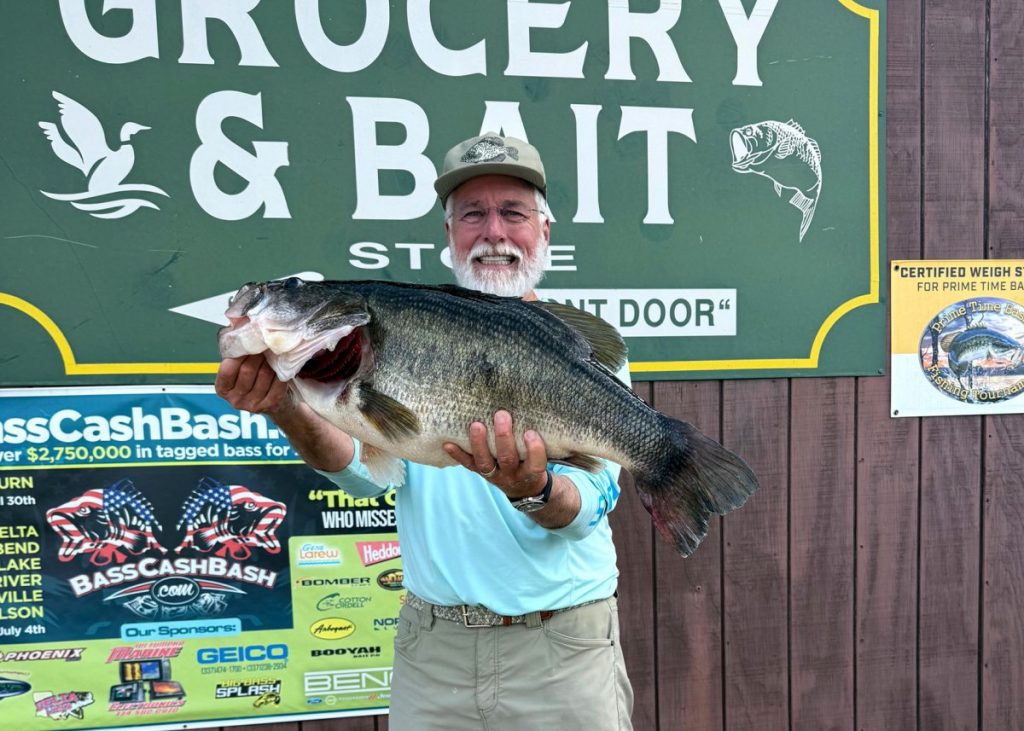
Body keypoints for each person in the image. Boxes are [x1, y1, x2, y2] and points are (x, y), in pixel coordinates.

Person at [214, 132, 634, 730]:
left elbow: (591, 505)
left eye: (512, 212)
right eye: (472, 214)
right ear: (449, 234)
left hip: (561, 651)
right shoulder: (378, 342)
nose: (493, 231)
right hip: (433, 654)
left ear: (545, 232)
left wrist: (532, 490)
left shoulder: (580, 349)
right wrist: (285, 405)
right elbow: (366, 478)